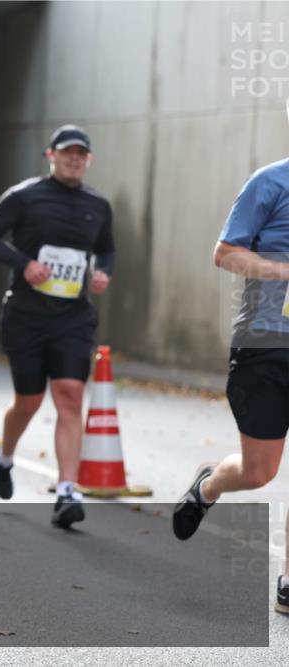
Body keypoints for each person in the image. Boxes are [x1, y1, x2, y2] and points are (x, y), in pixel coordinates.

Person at [0, 124, 115, 529]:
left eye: (81, 154)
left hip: (73, 316)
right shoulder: (24, 196)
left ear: (88, 160)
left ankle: (67, 490)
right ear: (51, 155)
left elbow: (107, 248)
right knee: (29, 401)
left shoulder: (98, 205)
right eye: (67, 152)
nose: (74, 159)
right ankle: (4, 456)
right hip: (26, 315)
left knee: (70, 394)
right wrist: (25, 264)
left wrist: (103, 272)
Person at [171, 155, 288, 616]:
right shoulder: (270, 182)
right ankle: (209, 485)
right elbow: (225, 253)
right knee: (259, 471)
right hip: (265, 343)